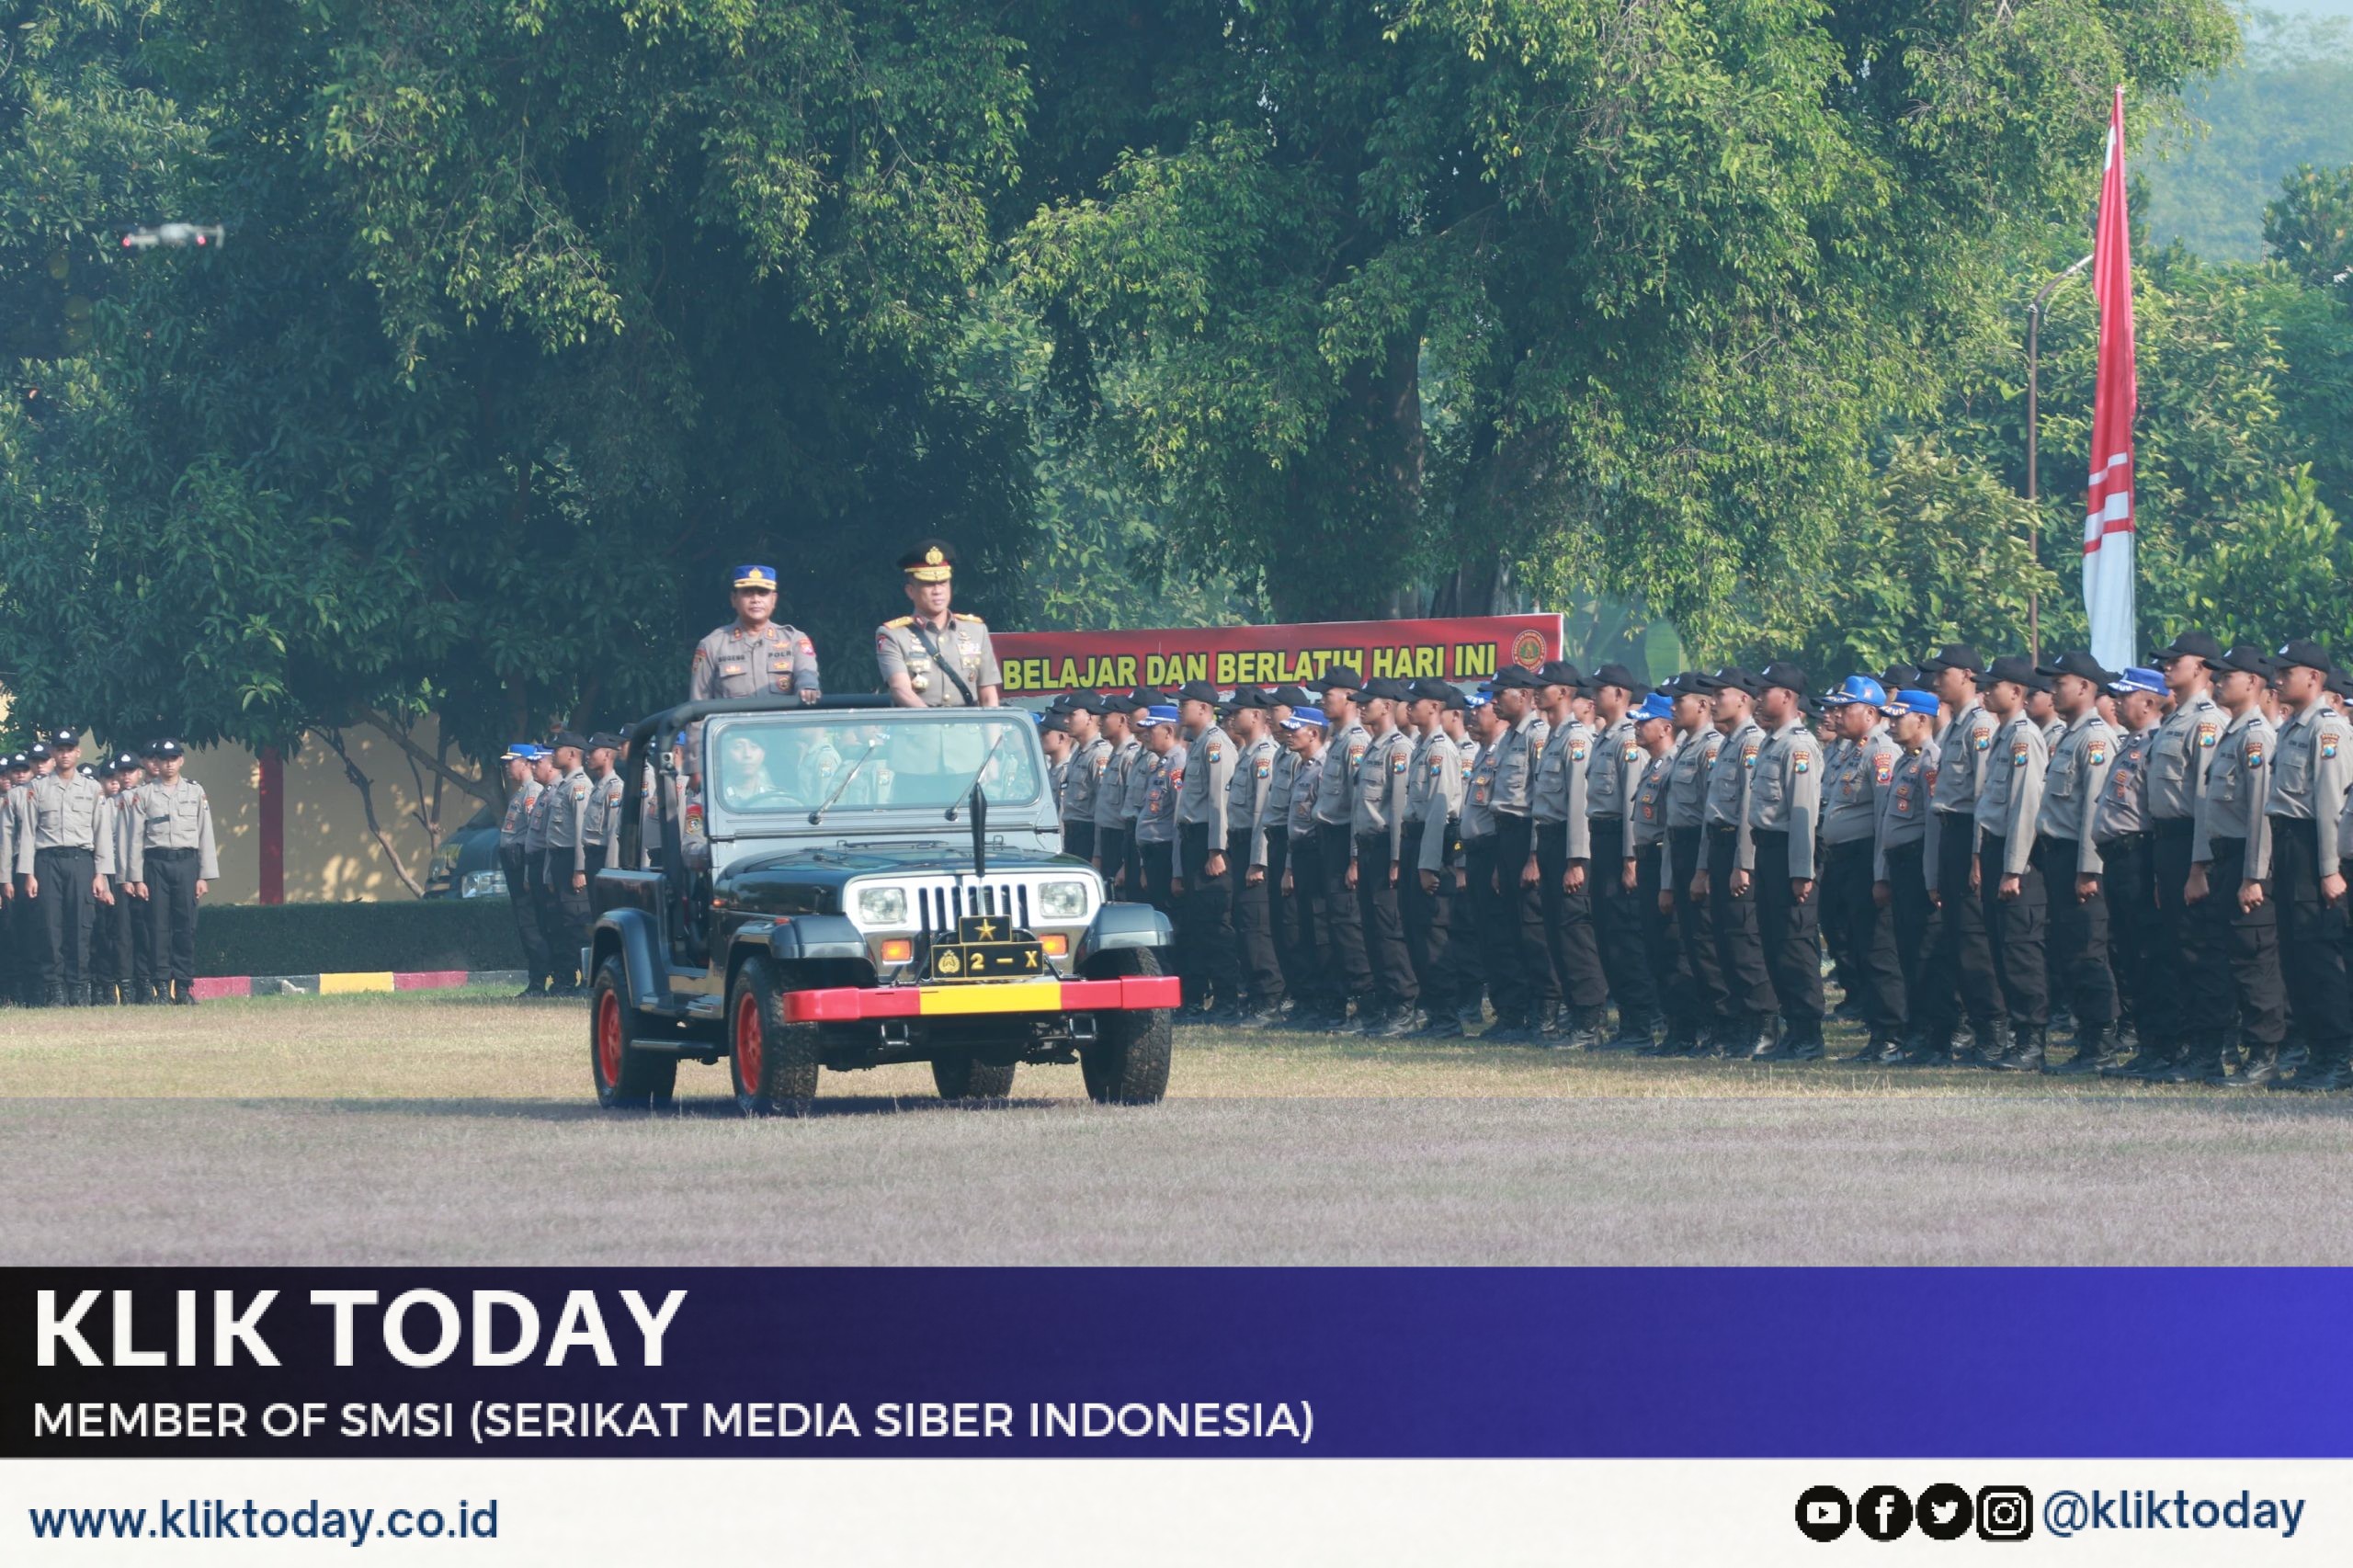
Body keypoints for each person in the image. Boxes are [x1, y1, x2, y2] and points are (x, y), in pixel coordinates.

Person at [2184, 645, 2289, 1085]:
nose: (2218, 680)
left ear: (2253, 682)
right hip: (2224, 861)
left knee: (2253, 960)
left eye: (2228, 675)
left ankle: (2263, 1056)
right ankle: (2218, 1053)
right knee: (2221, 959)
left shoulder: (2256, 737)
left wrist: (2253, 877)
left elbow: (2260, 813)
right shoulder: (2231, 733)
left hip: (2247, 862)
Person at [2261, 641, 2352, 1091]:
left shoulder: (2327, 728)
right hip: (2287, 845)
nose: (2277, 679)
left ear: (2314, 678)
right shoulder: (2291, 728)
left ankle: (2337, 1056)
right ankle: (2317, 1052)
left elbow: (2332, 804)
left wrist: (2329, 869)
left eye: (2287, 671)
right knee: (2295, 955)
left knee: (2318, 955)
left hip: (2312, 846)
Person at [2141, 631, 2229, 1080]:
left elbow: (2203, 800)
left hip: (2191, 842)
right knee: (2173, 949)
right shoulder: (2174, 719)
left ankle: (2208, 1051)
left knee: (2198, 950)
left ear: (2202, 668)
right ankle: (2181, 1046)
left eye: (2177, 660)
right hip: (2166, 843)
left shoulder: (2206, 722)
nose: (2167, 666)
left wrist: (2198, 867)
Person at [1916, 644, 2006, 1063]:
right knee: (1956, 939)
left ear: (1968, 675)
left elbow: (1983, 795)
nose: (1936, 681)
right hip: (1950, 834)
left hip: (1971, 833)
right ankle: (1974, 1027)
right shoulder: (1953, 726)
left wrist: (1976, 855)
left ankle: (1994, 1030)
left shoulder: (1980, 725)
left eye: (1943, 673)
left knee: (1974, 941)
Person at [2035, 652, 2123, 1073]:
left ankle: (2101, 1042)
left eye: (2060, 682)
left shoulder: (2094, 738)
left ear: (2086, 687)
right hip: (2057, 856)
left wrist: (2088, 869)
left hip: (2080, 859)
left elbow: (2095, 808)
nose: (2052, 690)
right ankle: (2087, 1037)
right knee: (2069, 950)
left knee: (2088, 952)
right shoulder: (2071, 736)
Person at [1817, 677, 1904, 1062]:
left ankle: (1892, 1035)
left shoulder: (1881, 752)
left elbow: (1885, 818)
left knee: (1878, 949)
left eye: (1844, 708)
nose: (1836, 715)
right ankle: (1876, 1030)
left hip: (1866, 859)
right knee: (1856, 945)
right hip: (1842, 860)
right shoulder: (1850, 752)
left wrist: (1881, 874)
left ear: (1870, 712)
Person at [1741, 665, 1826, 1058]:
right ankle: (1793, 1030)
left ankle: (1809, 1033)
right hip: (1767, 851)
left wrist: (1801, 871)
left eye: (1766, 691)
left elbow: (1804, 813)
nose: (1759, 697)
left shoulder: (1798, 746)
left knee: (1795, 945)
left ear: (1788, 696)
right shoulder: (1771, 743)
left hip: (1789, 853)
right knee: (1775, 943)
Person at [1972, 656, 2052, 1070]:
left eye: (1994, 685)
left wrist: (2013, 868)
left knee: (2021, 953)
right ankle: (2018, 1038)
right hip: (1995, 850)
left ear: (2017, 692)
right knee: (2002, 950)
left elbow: (2026, 806)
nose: (1986, 692)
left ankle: (2032, 1042)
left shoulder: (2024, 738)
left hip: (2015, 857)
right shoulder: (2003, 736)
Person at [2091, 667, 2167, 1076]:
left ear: (2149, 702)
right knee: (2129, 953)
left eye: (2125, 697)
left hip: (2140, 855)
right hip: (2118, 858)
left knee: (2148, 952)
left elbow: (2155, 812)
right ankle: (2149, 1043)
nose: (2116, 703)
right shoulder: (2130, 743)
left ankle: (2160, 1044)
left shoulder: (2155, 743)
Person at [1699, 668, 1776, 1057]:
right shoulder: (1728, 744)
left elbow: (1749, 808)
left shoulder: (1751, 743)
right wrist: (1703, 868)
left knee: (1745, 942)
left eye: (1720, 694)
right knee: (1724, 943)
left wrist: (1743, 863)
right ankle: (1738, 1025)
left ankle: (1763, 1025)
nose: (1713, 701)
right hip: (1718, 846)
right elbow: (1711, 813)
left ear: (1744, 698)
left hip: (1738, 849)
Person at [1585, 663, 1659, 1048]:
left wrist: (1630, 860)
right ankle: (1628, 1021)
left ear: (1618, 694)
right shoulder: (1605, 737)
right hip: (1600, 838)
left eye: (1600, 689)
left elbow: (1634, 803)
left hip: (1619, 842)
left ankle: (1640, 1024)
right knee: (1608, 934)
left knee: (1625, 937)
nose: (1593, 696)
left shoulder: (1628, 740)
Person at [1529, 662, 1603, 1046]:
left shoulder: (1576, 739)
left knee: (1575, 934)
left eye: (1544, 686)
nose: (1536, 691)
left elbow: (1579, 803)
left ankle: (1589, 1020)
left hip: (1568, 844)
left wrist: (1576, 861)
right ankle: (1574, 1017)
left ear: (1563, 692)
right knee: (1556, 932)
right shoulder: (1554, 737)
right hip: (1549, 840)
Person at [1483, 665, 1555, 1042]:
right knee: (1510, 930)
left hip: (1528, 834)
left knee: (1533, 929)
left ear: (1524, 695)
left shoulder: (1536, 735)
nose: (1494, 701)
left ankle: (1547, 1012)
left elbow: (1541, 798)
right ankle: (1517, 1013)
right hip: (1505, 836)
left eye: (1501, 694)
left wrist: (1534, 856)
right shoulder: (1508, 738)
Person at [688, 564, 821, 767]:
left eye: (763, 593)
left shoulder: (794, 639)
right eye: (748, 593)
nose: (756, 599)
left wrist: (808, 687)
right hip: (733, 753)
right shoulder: (712, 645)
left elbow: (807, 673)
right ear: (734, 599)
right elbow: (697, 708)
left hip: (785, 752)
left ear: (774, 599)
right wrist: (696, 766)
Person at [1347, 676, 1418, 1035]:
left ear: (1387, 706)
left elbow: (1399, 808)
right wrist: (1355, 855)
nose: (1361, 707)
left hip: (1386, 849)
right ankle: (1384, 1005)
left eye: (1368, 702)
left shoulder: (1398, 748)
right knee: (1371, 930)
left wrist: (1396, 860)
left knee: (1390, 930)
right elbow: (1360, 809)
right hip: (1367, 847)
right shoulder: (1373, 747)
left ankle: (1403, 1005)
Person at [1660, 674, 1727, 1054]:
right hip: (1679, 848)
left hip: (1701, 850)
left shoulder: (1710, 747)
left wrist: (1702, 870)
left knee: (1705, 943)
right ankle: (1696, 1026)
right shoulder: (1685, 747)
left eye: (1678, 700)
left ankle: (1721, 1025)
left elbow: (1707, 819)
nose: (1672, 708)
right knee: (1686, 943)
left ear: (1701, 704)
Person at [1873, 689, 1942, 1063]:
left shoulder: (1931, 760)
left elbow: (1933, 825)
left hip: (1918, 866)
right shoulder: (1904, 761)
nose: (1892, 723)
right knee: (1907, 950)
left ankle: (1932, 1032)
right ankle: (1916, 1030)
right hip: (1899, 865)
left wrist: (1932, 879)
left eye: (1900, 716)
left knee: (1926, 951)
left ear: (1922, 719)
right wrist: (1883, 874)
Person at [17, 731, 110, 1006]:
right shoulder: (38, 788)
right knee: (50, 926)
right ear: (53, 753)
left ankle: (78, 987)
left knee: (81, 925)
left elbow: (102, 832)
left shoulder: (92, 788)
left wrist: (101, 874)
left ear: (78, 752)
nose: (65, 754)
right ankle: (55, 988)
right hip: (47, 862)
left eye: (69, 749)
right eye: (60, 749)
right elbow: (28, 833)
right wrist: (28, 873)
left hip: (81, 861)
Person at [120, 738, 214, 1006]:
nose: (169, 764)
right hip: (156, 864)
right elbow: (135, 839)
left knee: (185, 927)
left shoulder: (195, 792)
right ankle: (161, 986)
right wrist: (136, 878)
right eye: (164, 759)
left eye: (174, 758)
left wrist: (203, 875)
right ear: (156, 763)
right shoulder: (145, 794)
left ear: (181, 760)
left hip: (186, 864)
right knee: (157, 927)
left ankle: (183, 987)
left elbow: (205, 833)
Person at [1308, 666, 1375, 1028]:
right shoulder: (1337, 740)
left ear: (1349, 696)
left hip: (1344, 839)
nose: (1322, 700)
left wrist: (1354, 858)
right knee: (1330, 925)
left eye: (1327, 693)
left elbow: (1358, 807)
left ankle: (1367, 1002)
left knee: (1349, 925)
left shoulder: (1356, 742)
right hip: (1326, 839)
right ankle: (1335, 1003)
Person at [1169, 681, 1238, 1016]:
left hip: (1207, 841)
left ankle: (1226, 998)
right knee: (1196, 924)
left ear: (1204, 708)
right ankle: (1197, 999)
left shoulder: (1216, 744)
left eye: (1185, 703)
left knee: (1215, 923)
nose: (1180, 708)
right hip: (1191, 839)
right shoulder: (1197, 744)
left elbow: (1219, 802)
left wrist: (1216, 850)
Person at [1402, 680, 1466, 1037]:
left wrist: (1427, 865)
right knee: (1416, 931)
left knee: (1432, 932)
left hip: (1433, 848)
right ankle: (1434, 1013)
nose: (1409, 706)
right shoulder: (1420, 747)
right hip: (1414, 842)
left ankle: (1447, 1017)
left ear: (1435, 707)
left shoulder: (1441, 750)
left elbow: (1440, 813)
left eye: (1416, 701)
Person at [1222, 689, 1286, 1027]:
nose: (1232, 717)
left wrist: (1258, 861)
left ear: (1258, 716)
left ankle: (1269, 998)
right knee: (1244, 924)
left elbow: (1263, 813)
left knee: (1257, 926)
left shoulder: (1264, 756)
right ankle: (1256, 995)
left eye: (1239, 711)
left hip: (1254, 847)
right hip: (1239, 843)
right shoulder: (1246, 753)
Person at [878, 540, 1000, 709]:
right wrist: (934, 721)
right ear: (911, 591)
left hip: (969, 725)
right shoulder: (894, 635)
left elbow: (988, 694)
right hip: (919, 724)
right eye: (928, 584)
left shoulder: (976, 630)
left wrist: (993, 726)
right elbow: (900, 690)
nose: (937, 591)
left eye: (943, 582)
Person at [1627, 691, 1681, 1053]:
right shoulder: (1653, 765)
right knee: (1655, 949)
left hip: (1664, 861)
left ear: (1665, 727)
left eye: (1644, 721)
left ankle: (1684, 1027)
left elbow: (1672, 829)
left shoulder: (1673, 765)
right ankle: (1674, 1027)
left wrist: (1667, 882)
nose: (1637, 727)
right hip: (1647, 859)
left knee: (1672, 947)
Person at [1276, 707, 1330, 1023]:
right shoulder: (1302, 767)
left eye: (1295, 729)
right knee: (1303, 929)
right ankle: (1308, 1001)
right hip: (1298, 853)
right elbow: (1292, 824)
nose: (1288, 734)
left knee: (1321, 928)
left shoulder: (1324, 767)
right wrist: (1288, 867)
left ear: (1313, 733)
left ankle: (1326, 1000)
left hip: (1317, 853)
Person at [1131, 705, 1182, 926]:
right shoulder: (1160, 764)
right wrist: (1144, 865)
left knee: (1169, 921)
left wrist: (1178, 872)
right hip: (1152, 855)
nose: (1145, 734)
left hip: (1166, 855)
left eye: (1151, 729)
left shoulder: (1178, 764)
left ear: (1169, 731)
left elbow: (1179, 821)